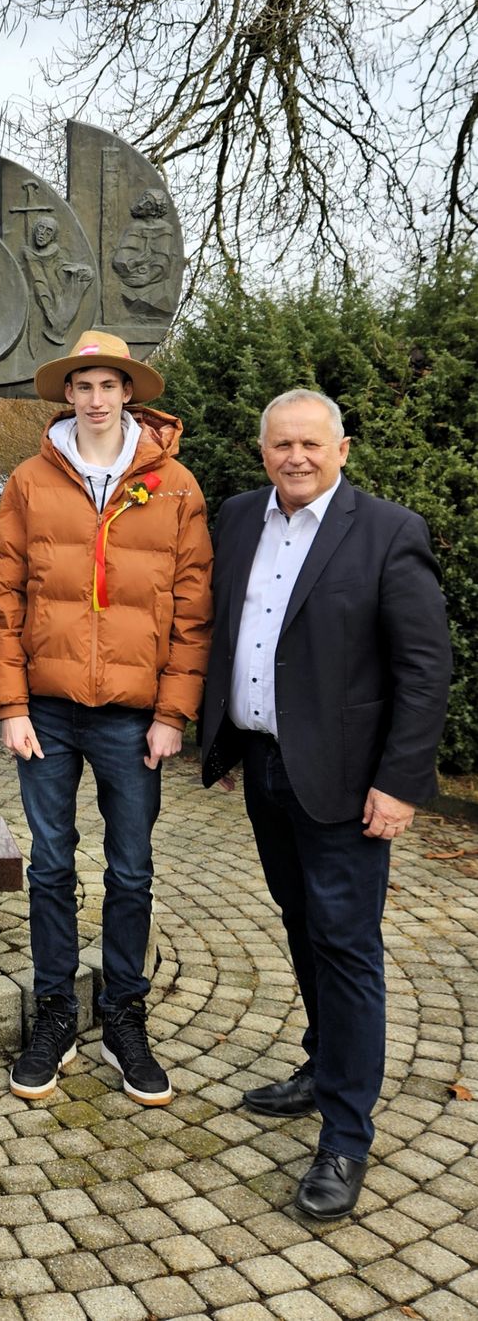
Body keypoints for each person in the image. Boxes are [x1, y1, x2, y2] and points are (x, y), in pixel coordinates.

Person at [201, 388, 451, 1220]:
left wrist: (400, 782)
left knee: (346, 945)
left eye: (311, 443)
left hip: (348, 785)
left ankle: (346, 1133)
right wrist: (226, 738)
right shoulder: (238, 516)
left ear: (342, 449)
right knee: (300, 922)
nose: (296, 456)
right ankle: (323, 1061)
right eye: (281, 444)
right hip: (268, 770)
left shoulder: (387, 532)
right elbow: (228, 631)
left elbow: (424, 669)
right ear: (262, 449)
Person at [0, 331, 212, 1107]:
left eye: (108, 384)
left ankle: (122, 1012)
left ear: (128, 393)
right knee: (50, 864)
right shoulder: (27, 480)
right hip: (45, 709)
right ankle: (55, 1012)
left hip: (132, 718)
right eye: (81, 384)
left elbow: (191, 611)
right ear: (67, 394)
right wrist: (11, 705)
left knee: (132, 867)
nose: (94, 397)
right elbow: (4, 600)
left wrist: (173, 713)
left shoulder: (175, 485)